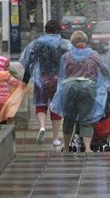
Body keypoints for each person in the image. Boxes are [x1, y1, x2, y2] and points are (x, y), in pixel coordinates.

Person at [50, 31, 110, 152]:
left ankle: (67, 147)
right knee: (87, 118)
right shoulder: (93, 54)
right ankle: (88, 148)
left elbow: (61, 75)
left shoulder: (66, 56)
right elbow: (105, 69)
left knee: (69, 118)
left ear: (73, 42)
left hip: (69, 88)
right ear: (85, 41)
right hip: (87, 88)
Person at [20, 19, 71, 147]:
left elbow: (29, 63)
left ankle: (42, 127)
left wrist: (25, 81)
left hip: (41, 79)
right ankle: (55, 138)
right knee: (56, 107)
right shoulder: (65, 44)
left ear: (46, 30)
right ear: (59, 30)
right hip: (58, 80)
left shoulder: (37, 44)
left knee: (41, 105)